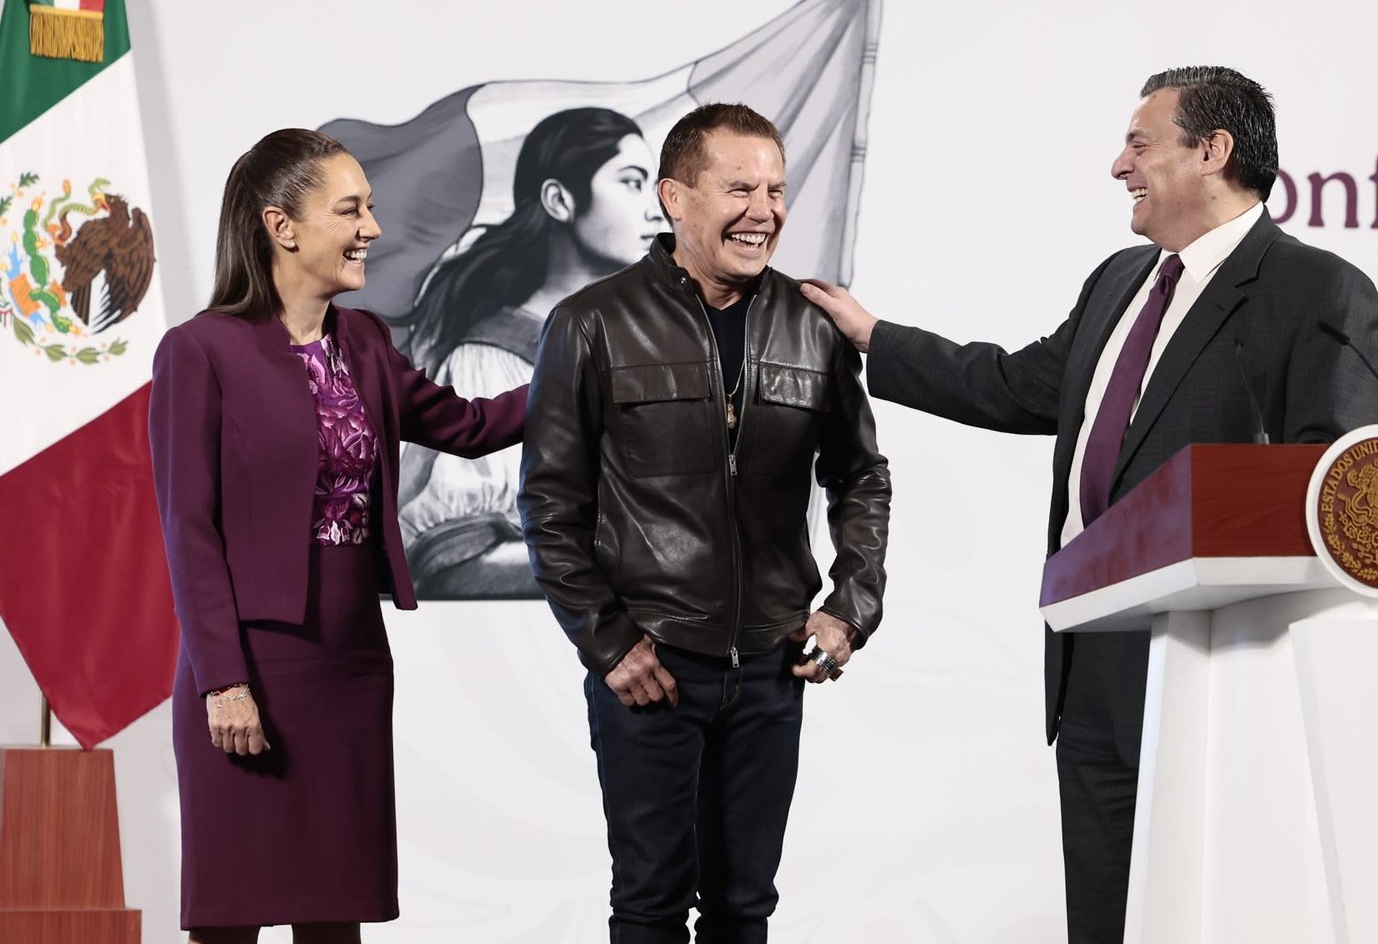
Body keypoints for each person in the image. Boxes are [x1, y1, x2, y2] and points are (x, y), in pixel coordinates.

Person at [800, 66, 1378, 943]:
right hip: (1092, 660)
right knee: (1104, 919)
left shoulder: (1316, 291)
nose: (1119, 165)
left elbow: (1339, 486)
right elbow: (1014, 385)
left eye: (1139, 144)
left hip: (1216, 666)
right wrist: (874, 337)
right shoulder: (1121, 279)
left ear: (1213, 150)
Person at [519, 102, 891, 942]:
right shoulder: (590, 322)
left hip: (771, 665)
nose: (764, 211)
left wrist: (851, 606)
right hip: (651, 664)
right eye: (739, 189)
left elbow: (861, 475)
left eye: (776, 190)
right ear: (675, 199)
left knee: (744, 907)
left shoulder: (815, 324)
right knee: (650, 904)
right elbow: (549, 502)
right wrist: (608, 640)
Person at [148, 129, 528, 943]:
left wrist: (584, 364)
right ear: (281, 226)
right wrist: (223, 680)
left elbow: (472, 426)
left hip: (351, 664)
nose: (371, 229)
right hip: (249, 666)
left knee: (335, 913)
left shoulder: (367, 343)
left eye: (370, 209)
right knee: (230, 917)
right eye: (351, 210)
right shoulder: (199, 351)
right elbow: (188, 528)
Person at [395, 107, 668, 599]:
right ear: (559, 200)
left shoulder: (652, 347)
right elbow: (449, 560)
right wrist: (624, 568)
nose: (656, 210)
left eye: (655, 186)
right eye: (632, 183)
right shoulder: (491, 362)